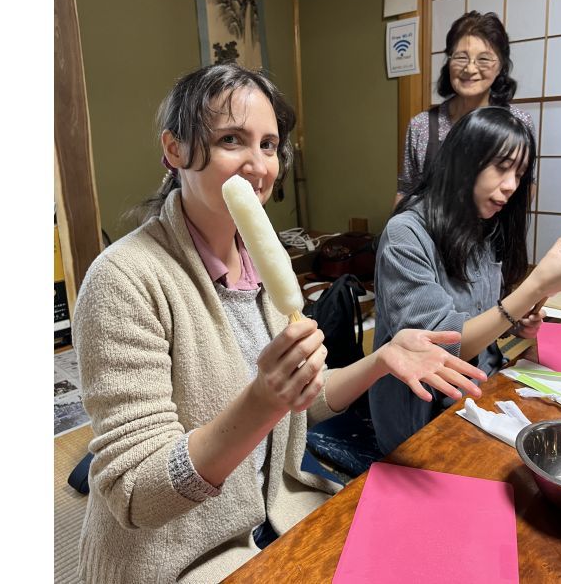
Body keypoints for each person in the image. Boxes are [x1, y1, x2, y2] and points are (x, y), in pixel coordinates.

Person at [72, 63, 487, 584]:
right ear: (174, 149)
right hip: (178, 555)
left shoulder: (261, 267)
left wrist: (380, 360)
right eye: (231, 139)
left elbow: (302, 404)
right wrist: (263, 399)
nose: (258, 165)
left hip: (273, 514)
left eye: (269, 145)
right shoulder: (124, 280)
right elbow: (136, 493)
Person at [370, 106, 561, 456]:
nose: (512, 186)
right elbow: (441, 348)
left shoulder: (483, 224)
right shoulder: (405, 234)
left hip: (481, 388)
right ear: (464, 161)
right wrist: (534, 287)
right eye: (501, 167)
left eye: (520, 173)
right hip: (420, 416)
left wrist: (517, 323)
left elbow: (485, 311)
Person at [394, 10, 533, 206]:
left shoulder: (518, 121)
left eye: (484, 59)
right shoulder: (421, 125)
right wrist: (396, 234)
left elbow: (526, 186)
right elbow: (406, 191)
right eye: (461, 57)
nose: (470, 69)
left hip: (493, 234)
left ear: (501, 65)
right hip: (430, 235)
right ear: (449, 61)